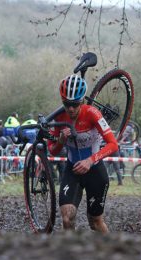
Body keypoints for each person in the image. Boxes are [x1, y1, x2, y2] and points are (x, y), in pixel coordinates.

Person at [47, 74, 118, 233]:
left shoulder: (93, 113)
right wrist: (60, 140)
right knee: (66, 218)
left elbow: (113, 145)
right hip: (72, 171)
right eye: (66, 104)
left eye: (75, 104)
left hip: (95, 171)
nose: (70, 108)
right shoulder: (59, 116)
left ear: (82, 101)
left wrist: (90, 160)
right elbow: (52, 150)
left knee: (95, 222)